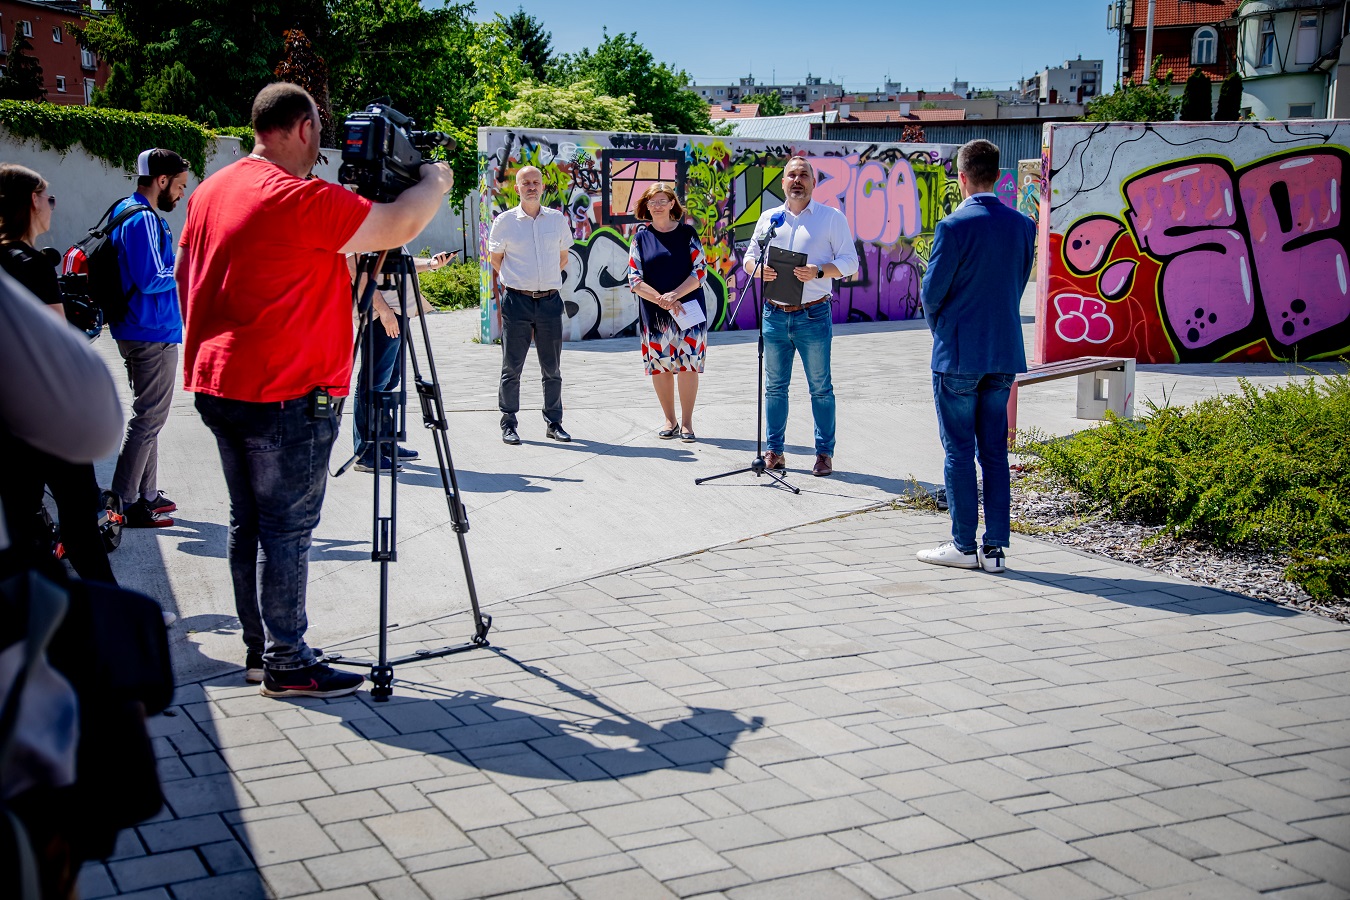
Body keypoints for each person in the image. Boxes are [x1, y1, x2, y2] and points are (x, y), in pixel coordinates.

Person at [177, 82, 454, 698]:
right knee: (287, 530)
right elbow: (398, 223)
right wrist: (435, 181)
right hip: (288, 392)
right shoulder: (299, 197)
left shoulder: (211, 191)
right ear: (302, 127)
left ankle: (260, 651)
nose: (325, 147)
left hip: (219, 382)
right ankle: (288, 660)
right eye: (321, 134)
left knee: (246, 522)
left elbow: (187, 273)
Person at [917, 139, 1035, 574]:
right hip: (1004, 352)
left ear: (961, 177)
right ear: (1000, 177)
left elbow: (931, 294)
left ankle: (964, 544)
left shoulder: (952, 228)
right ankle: (996, 549)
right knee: (995, 454)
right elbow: (1017, 284)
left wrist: (944, 332)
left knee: (958, 452)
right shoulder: (1024, 226)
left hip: (959, 354)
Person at [0, 163, 118, 585]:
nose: (52, 206)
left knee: (23, 518)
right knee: (81, 520)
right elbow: (57, 349)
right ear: (31, 202)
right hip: (45, 414)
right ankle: (111, 618)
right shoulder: (33, 265)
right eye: (48, 198)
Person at [742, 156, 858, 477]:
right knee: (775, 388)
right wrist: (757, 269)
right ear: (782, 183)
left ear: (813, 183)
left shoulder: (831, 218)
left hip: (813, 315)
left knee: (820, 389)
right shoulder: (770, 218)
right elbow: (749, 258)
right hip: (774, 315)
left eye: (803, 175)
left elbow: (850, 262)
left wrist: (818, 270)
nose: (797, 180)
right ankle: (774, 451)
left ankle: (823, 454)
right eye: (791, 175)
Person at [108, 148, 191, 528]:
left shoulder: (125, 210)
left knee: (150, 418)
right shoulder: (141, 219)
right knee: (148, 419)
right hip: (149, 333)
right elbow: (150, 277)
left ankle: (148, 495)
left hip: (143, 328)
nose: (181, 194)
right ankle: (122, 505)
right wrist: (189, 268)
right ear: (161, 181)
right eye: (179, 186)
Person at [488, 165, 573, 445]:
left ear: (543, 186)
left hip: (549, 302)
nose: (532, 187)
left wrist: (543, 280)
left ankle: (554, 422)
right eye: (526, 183)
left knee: (552, 368)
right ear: (517, 188)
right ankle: (508, 423)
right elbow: (495, 259)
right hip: (517, 302)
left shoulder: (556, 219)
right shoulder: (505, 221)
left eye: (536, 182)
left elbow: (563, 257)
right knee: (512, 367)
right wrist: (518, 281)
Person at [349, 249, 454, 472]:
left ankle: (385, 444)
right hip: (381, 315)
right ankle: (365, 453)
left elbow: (400, 263)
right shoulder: (361, 226)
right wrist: (384, 311)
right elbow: (357, 269)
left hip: (396, 312)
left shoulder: (386, 226)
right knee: (373, 384)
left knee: (388, 382)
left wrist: (431, 263)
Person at [626, 183, 708, 441]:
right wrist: (662, 299)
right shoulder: (640, 238)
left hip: (688, 310)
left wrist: (675, 295)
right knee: (660, 366)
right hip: (655, 314)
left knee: (688, 365)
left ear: (672, 203)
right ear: (647, 206)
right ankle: (669, 420)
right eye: (653, 201)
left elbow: (700, 272)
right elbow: (634, 279)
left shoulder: (687, 234)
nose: (658, 205)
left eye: (663, 200)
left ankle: (687, 423)